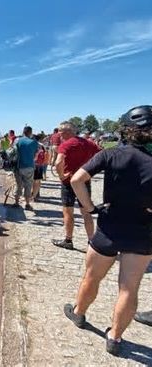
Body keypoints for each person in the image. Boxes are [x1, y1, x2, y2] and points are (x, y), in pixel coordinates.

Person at [63, 105, 152, 355]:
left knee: (92, 276)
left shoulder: (111, 154)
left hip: (109, 227)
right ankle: (115, 337)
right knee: (129, 288)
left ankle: (79, 313)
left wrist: (90, 207)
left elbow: (76, 179)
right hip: (143, 233)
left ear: (125, 130)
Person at [52, 122, 100, 249]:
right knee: (86, 212)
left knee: (68, 211)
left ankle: (68, 240)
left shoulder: (65, 145)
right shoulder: (89, 143)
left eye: (60, 134)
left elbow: (58, 162)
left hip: (68, 182)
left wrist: (62, 176)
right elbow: (101, 157)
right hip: (84, 181)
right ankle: (91, 241)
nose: (60, 136)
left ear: (66, 132)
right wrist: (91, 172)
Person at [14, 126, 38, 210]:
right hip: (29, 166)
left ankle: (16, 202)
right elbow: (35, 156)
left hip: (18, 166)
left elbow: (13, 152)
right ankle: (27, 204)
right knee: (28, 185)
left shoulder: (17, 141)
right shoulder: (34, 142)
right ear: (30, 132)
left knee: (18, 185)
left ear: (23, 132)